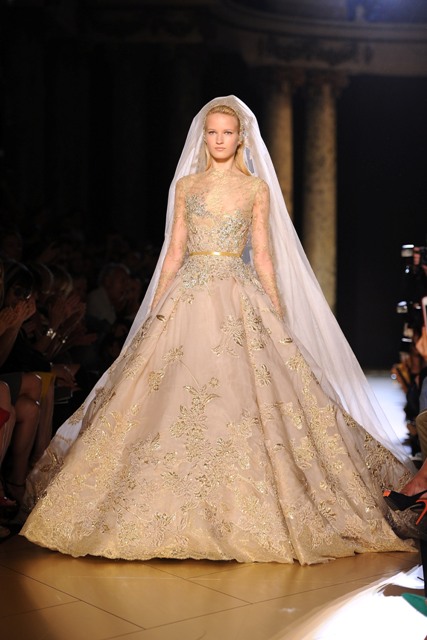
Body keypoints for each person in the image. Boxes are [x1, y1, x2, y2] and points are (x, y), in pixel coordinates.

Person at [20, 96, 419, 564]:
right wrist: (156, 309)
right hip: (187, 296)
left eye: (227, 132)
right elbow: (174, 251)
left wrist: (276, 313)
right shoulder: (187, 186)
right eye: (212, 132)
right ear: (203, 135)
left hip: (237, 293)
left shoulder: (255, 189)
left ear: (240, 137)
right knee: (165, 392)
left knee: (242, 394)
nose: (219, 139)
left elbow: (263, 254)